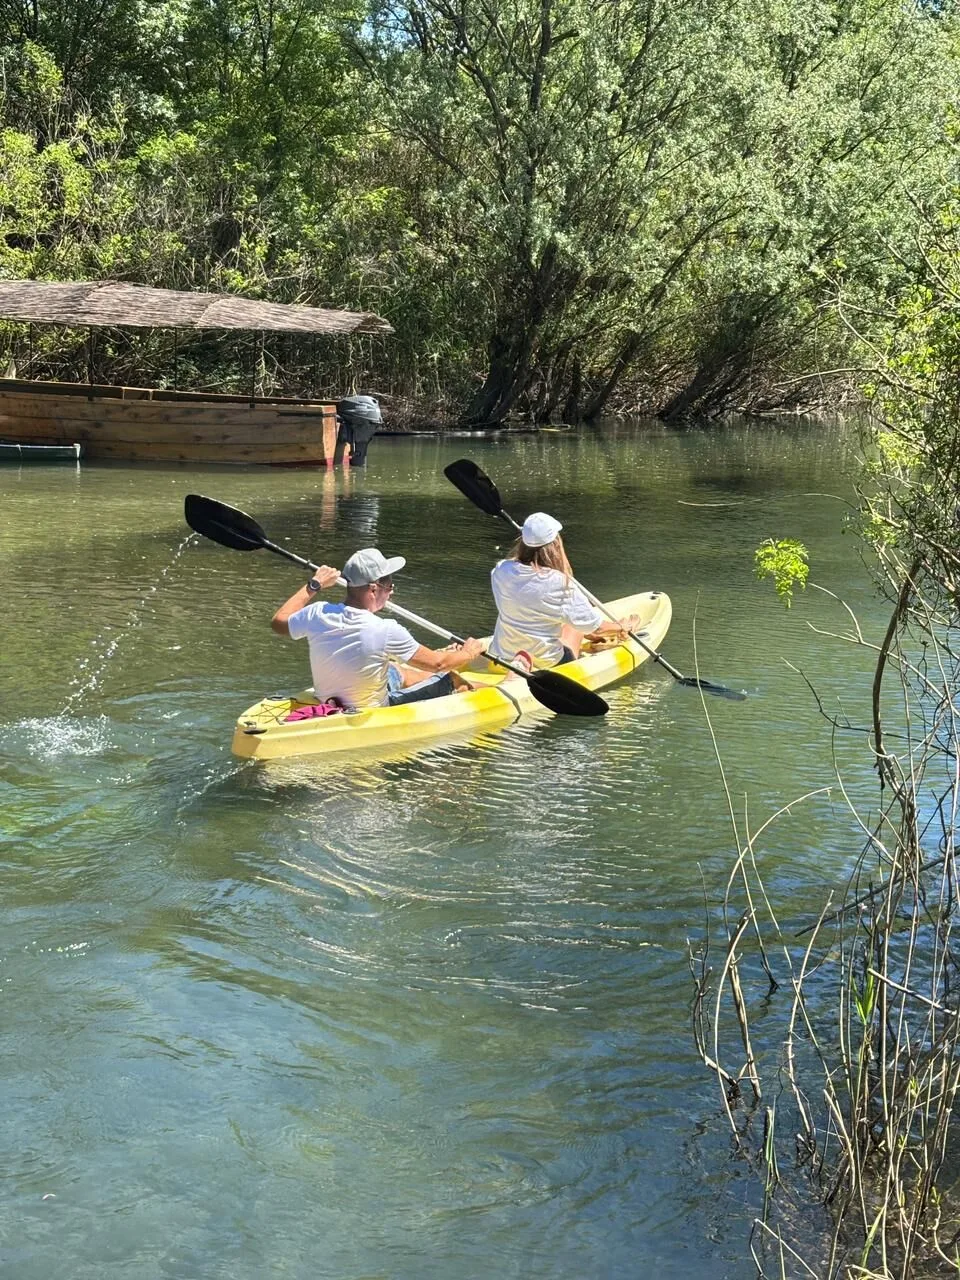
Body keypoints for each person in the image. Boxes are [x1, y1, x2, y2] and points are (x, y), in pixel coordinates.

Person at [271, 547, 484, 708]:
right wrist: (469, 653)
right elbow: (438, 664)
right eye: (389, 585)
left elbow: (279, 622)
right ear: (373, 590)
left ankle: (416, 665)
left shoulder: (317, 612)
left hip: (328, 699)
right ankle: (498, 687)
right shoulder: (386, 629)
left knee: (395, 669)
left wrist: (314, 584)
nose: (391, 592)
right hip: (371, 709)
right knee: (454, 680)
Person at [489, 512, 639, 668]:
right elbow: (597, 627)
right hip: (544, 663)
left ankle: (592, 636)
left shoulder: (501, 570)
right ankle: (597, 638)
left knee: (569, 621)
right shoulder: (560, 583)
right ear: (555, 545)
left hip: (500, 658)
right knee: (576, 625)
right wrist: (621, 627)